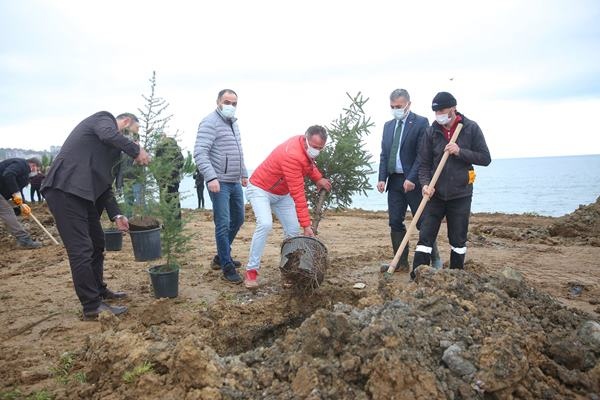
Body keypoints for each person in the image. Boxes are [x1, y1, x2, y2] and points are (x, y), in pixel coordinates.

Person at [41, 112, 151, 319]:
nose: (134, 139)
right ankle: (91, 307)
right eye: (134, 133)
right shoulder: (103, 120)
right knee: (81, 249)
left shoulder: (111, 152)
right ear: (126, 122)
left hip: (83, 195)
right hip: (64, 189)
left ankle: (99, 291)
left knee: (97, 242)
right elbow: (109, 135)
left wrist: (117, 215)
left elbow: (105, 186)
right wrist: (136, 151)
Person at [411, 92, 491, 279]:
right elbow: (424, 164)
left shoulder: (470, 128)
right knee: (425, 237)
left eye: (442, 110)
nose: (439, 114)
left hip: (460, 194)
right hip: (435, 195)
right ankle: (417, 277)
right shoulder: (431, 132)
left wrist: (460, 151)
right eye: (436, 111)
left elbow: (485, 158)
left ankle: (456, 277)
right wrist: (424, 185)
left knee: (458, 240)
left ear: (453, 108)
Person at [243, 125, 332, 289]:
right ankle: (251, 271)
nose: (317, 151)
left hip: (281, 194)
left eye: (320, 148)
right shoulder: (291, 154)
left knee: (292, 232)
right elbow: (298, 194)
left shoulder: (304, 149)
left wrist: (318, 178)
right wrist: (306, 225)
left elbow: (308, 165)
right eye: (314, 147)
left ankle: (288, 272)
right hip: (260, 188)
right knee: (265, 223)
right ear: (306, 140)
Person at [377, 89, 443, 273]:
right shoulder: (388, 126)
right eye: (392, 107)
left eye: (398, 106)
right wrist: (382, 178)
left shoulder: (421, 122)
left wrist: (412, 178)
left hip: (414, 181)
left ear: (408, 104)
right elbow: (384, 154)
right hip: (395, 181)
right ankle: (401, 262)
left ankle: (434, 258)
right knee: (395, 221)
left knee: (423, 221)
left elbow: (422, 155)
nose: (395, 109)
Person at [194, 89, 248, 284]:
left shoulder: (233, 123)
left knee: (239, 219)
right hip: (219, 183)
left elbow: (238, 150)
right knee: (223, 223)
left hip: (234, 181)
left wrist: (243, 173)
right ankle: (227, 265)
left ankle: (220, 257)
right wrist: (211, 178)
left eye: (234, 103)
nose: (230, 106)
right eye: (227, 102)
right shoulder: (210, 122)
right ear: (218, 101)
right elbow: (200, 153)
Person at [0, 158, 43, 248]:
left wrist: (22, 204)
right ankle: (24, 240)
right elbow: (8, 174)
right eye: (37, 169)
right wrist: (16, 193)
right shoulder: (22, 164)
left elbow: (16, 190)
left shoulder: (24, 176)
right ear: (33, 165)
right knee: (7, 211)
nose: (37, 171)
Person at [155, 133, 184, 220]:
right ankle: (176, 222)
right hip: (174, 179)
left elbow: (156, 164)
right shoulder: (176, 149)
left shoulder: (160, 149)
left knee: (164, 200)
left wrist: (158, 176)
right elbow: (181, 162)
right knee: (174, 199)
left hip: (164, 179)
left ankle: (168, 222)